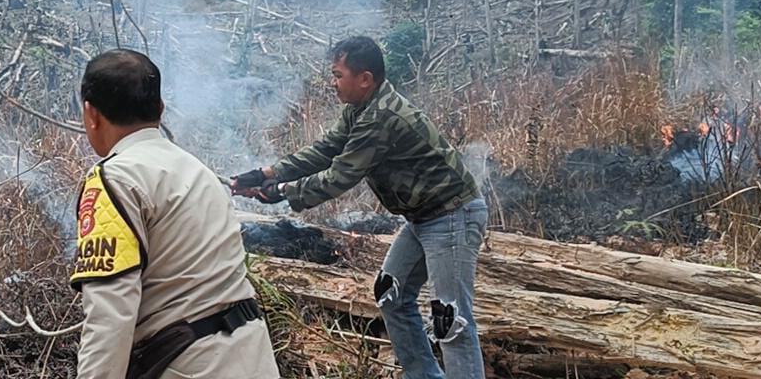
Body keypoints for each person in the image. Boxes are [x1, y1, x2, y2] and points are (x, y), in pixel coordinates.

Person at [233, 36, 488, 379]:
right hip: (423, 217)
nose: (333, 82)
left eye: (338, 75)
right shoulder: (361, 109)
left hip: (452, 215)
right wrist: (267, 173)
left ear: (364, 78)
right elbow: (325, 150)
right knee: (392, 296)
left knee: (450, 318)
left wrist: (281, 191)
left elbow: (340, 175)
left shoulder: (380, 117)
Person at [72, 49, 279, 379]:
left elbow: (110, 315)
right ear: (160, 108)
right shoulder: (199, 171)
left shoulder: (113, 181)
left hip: (189, 367)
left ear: (91, 114)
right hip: (252, 357)